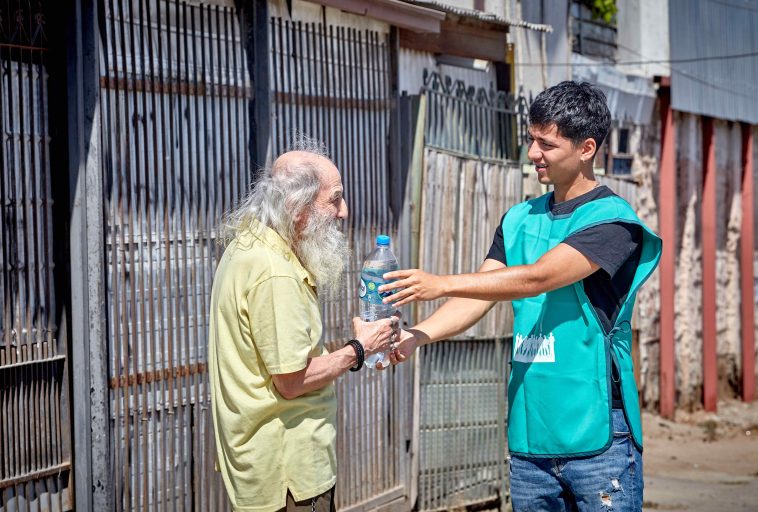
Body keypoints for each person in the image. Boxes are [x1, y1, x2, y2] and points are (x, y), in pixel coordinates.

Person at [380, 81, 662, 511]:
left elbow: (538, 278)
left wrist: (440, 283)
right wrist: (418, 335)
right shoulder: (518, 219)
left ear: (586, 148)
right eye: (531, 139)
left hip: (597, 433)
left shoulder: (612, 221)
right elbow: (480, 294)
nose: (533, 153)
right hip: (531, 436)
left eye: (547, 144)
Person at [208, 140, 399, 512]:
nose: (344, 211)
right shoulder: (275, 272)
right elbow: (292, 381)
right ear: (298, 208)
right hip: (288, 472)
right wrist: (360, 348)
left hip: (267, 463)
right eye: (334, 199)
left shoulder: (250, 245)